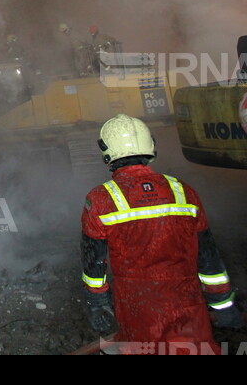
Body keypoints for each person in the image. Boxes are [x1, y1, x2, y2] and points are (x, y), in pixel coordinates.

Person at [80, 114, 242, 355]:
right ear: (150, 145)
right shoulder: (183, 191)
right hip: (189, 306)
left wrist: (97, 302)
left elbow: (95, 261)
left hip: (139, 310)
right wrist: (222, 304)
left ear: (106, 151)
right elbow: (208, 258)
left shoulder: (101, 200)